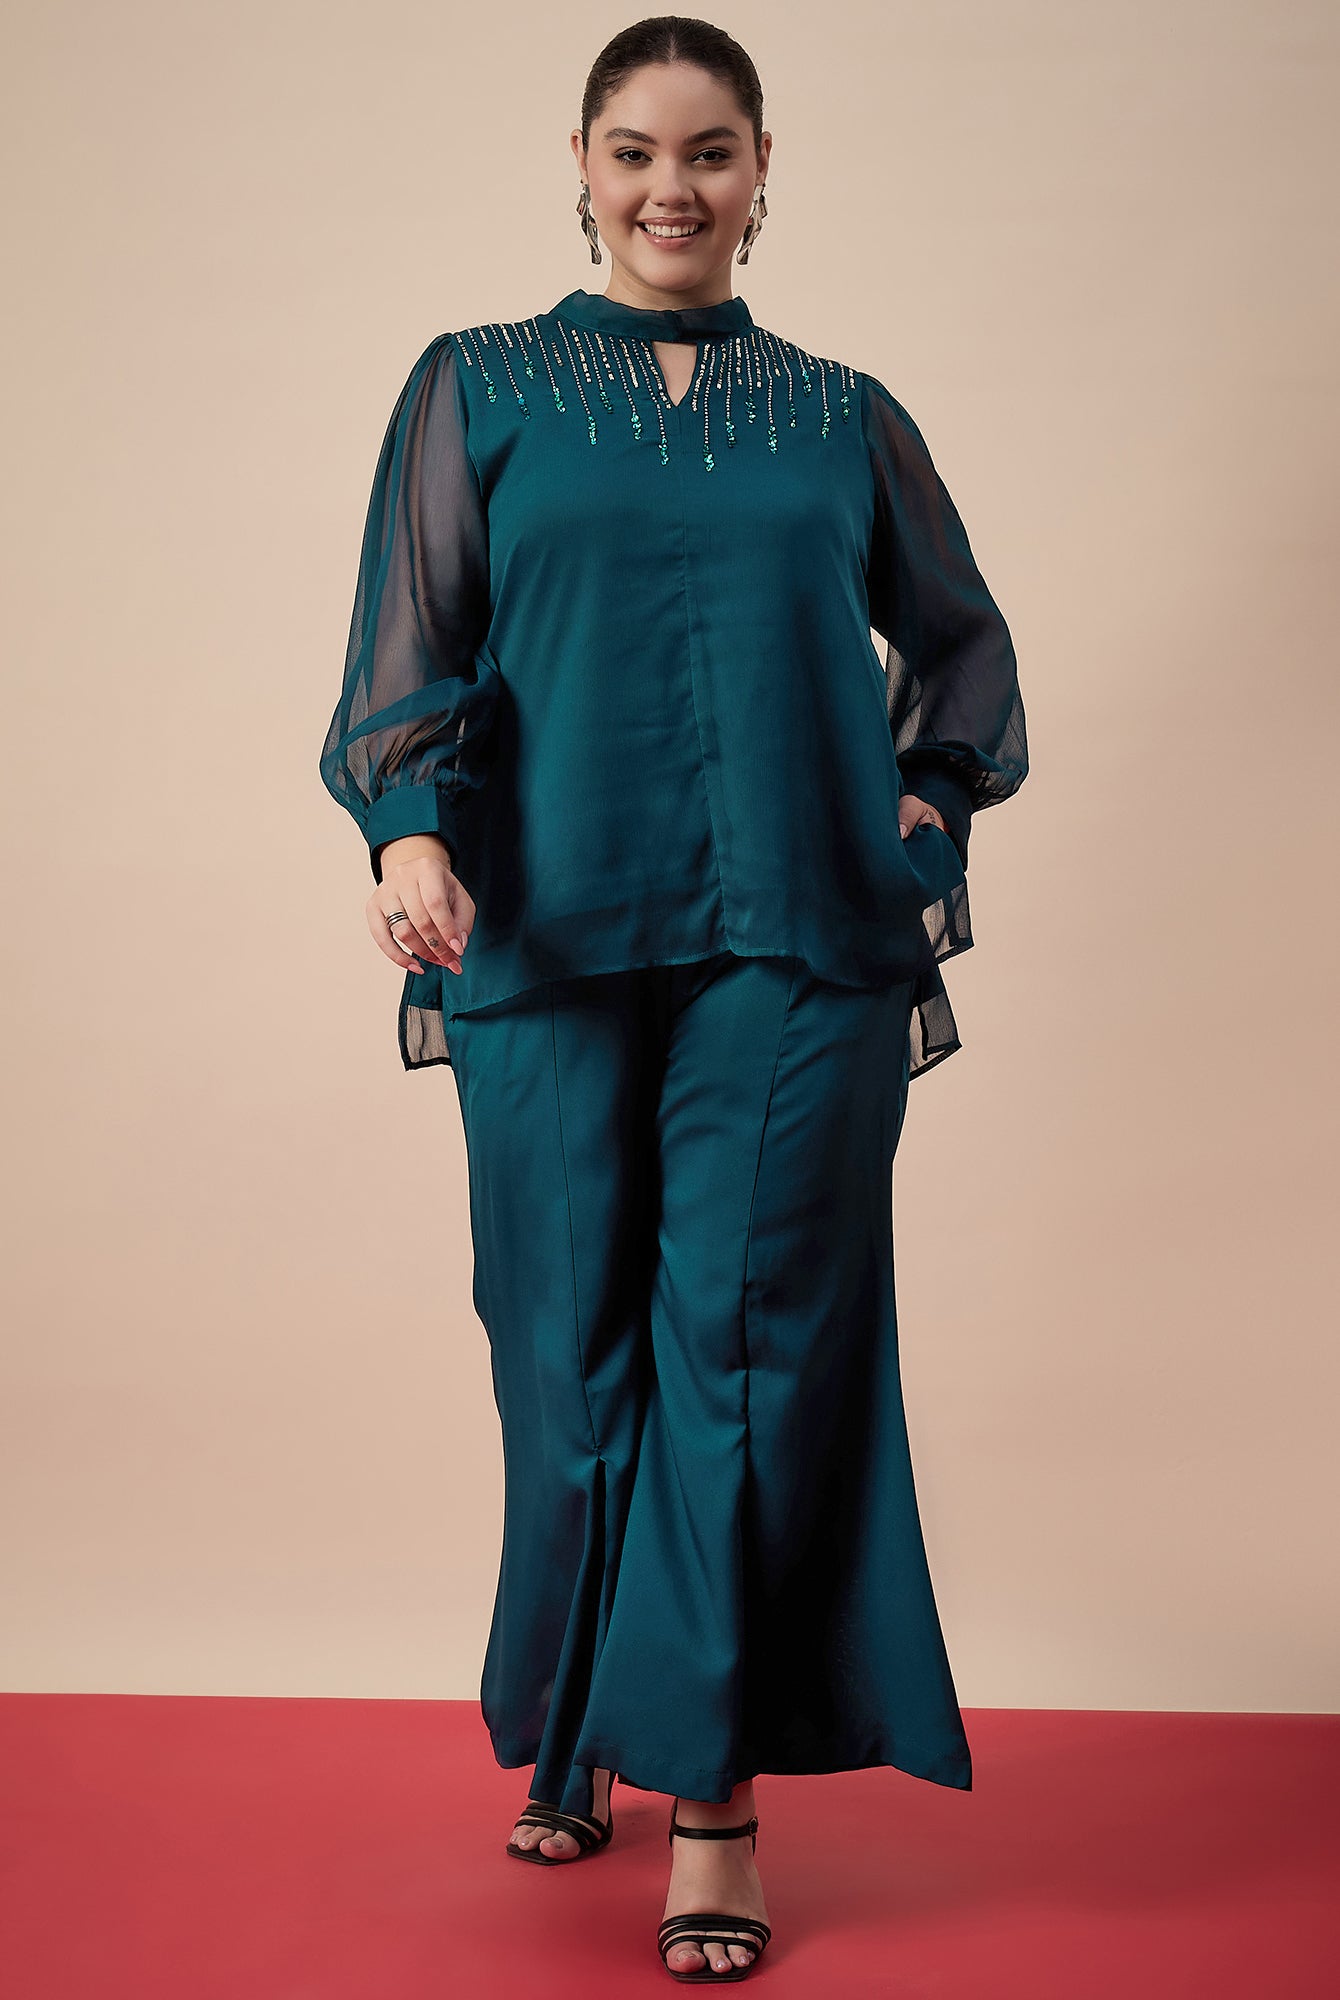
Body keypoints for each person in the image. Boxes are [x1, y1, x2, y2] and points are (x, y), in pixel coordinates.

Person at [319, 15, 1028, 1983]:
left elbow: (961, 654)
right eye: (635, 150)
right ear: (580, 163)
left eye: (711, 151)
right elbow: (410, 645)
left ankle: (711, 1805)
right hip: (544, 928)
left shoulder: (841, 414)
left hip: (795, 939)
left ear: (763, 170)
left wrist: (923, 803)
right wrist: (406, 833)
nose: (671, 188)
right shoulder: (476, 386)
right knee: (568, 1356)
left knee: (739, 1342)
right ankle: (579, 1720)